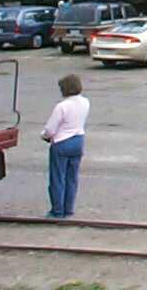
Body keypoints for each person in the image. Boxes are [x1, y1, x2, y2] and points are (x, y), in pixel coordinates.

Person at [42, 74, 90, 219]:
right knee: (72, 178)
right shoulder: (85, 102)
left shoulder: (62, 106)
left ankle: (57, 211)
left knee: (58, 178)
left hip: (62, 143)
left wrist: (44, 136)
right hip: (78, 140)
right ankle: (69, 209)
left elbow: (50, 129)